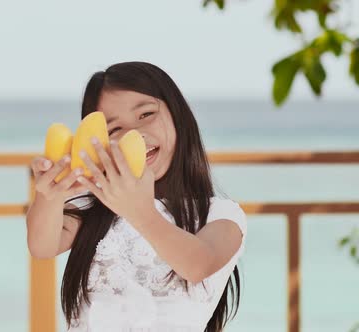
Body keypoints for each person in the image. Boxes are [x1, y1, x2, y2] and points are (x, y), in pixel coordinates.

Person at [26, 61, 247, 332]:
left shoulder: (220, 214)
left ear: (178, 116)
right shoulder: (96, 210)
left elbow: (198, 264)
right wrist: (50, 194)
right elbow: (41, 245)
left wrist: (140, 213)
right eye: (114, 130)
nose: (135, 135)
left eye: (146, 115)